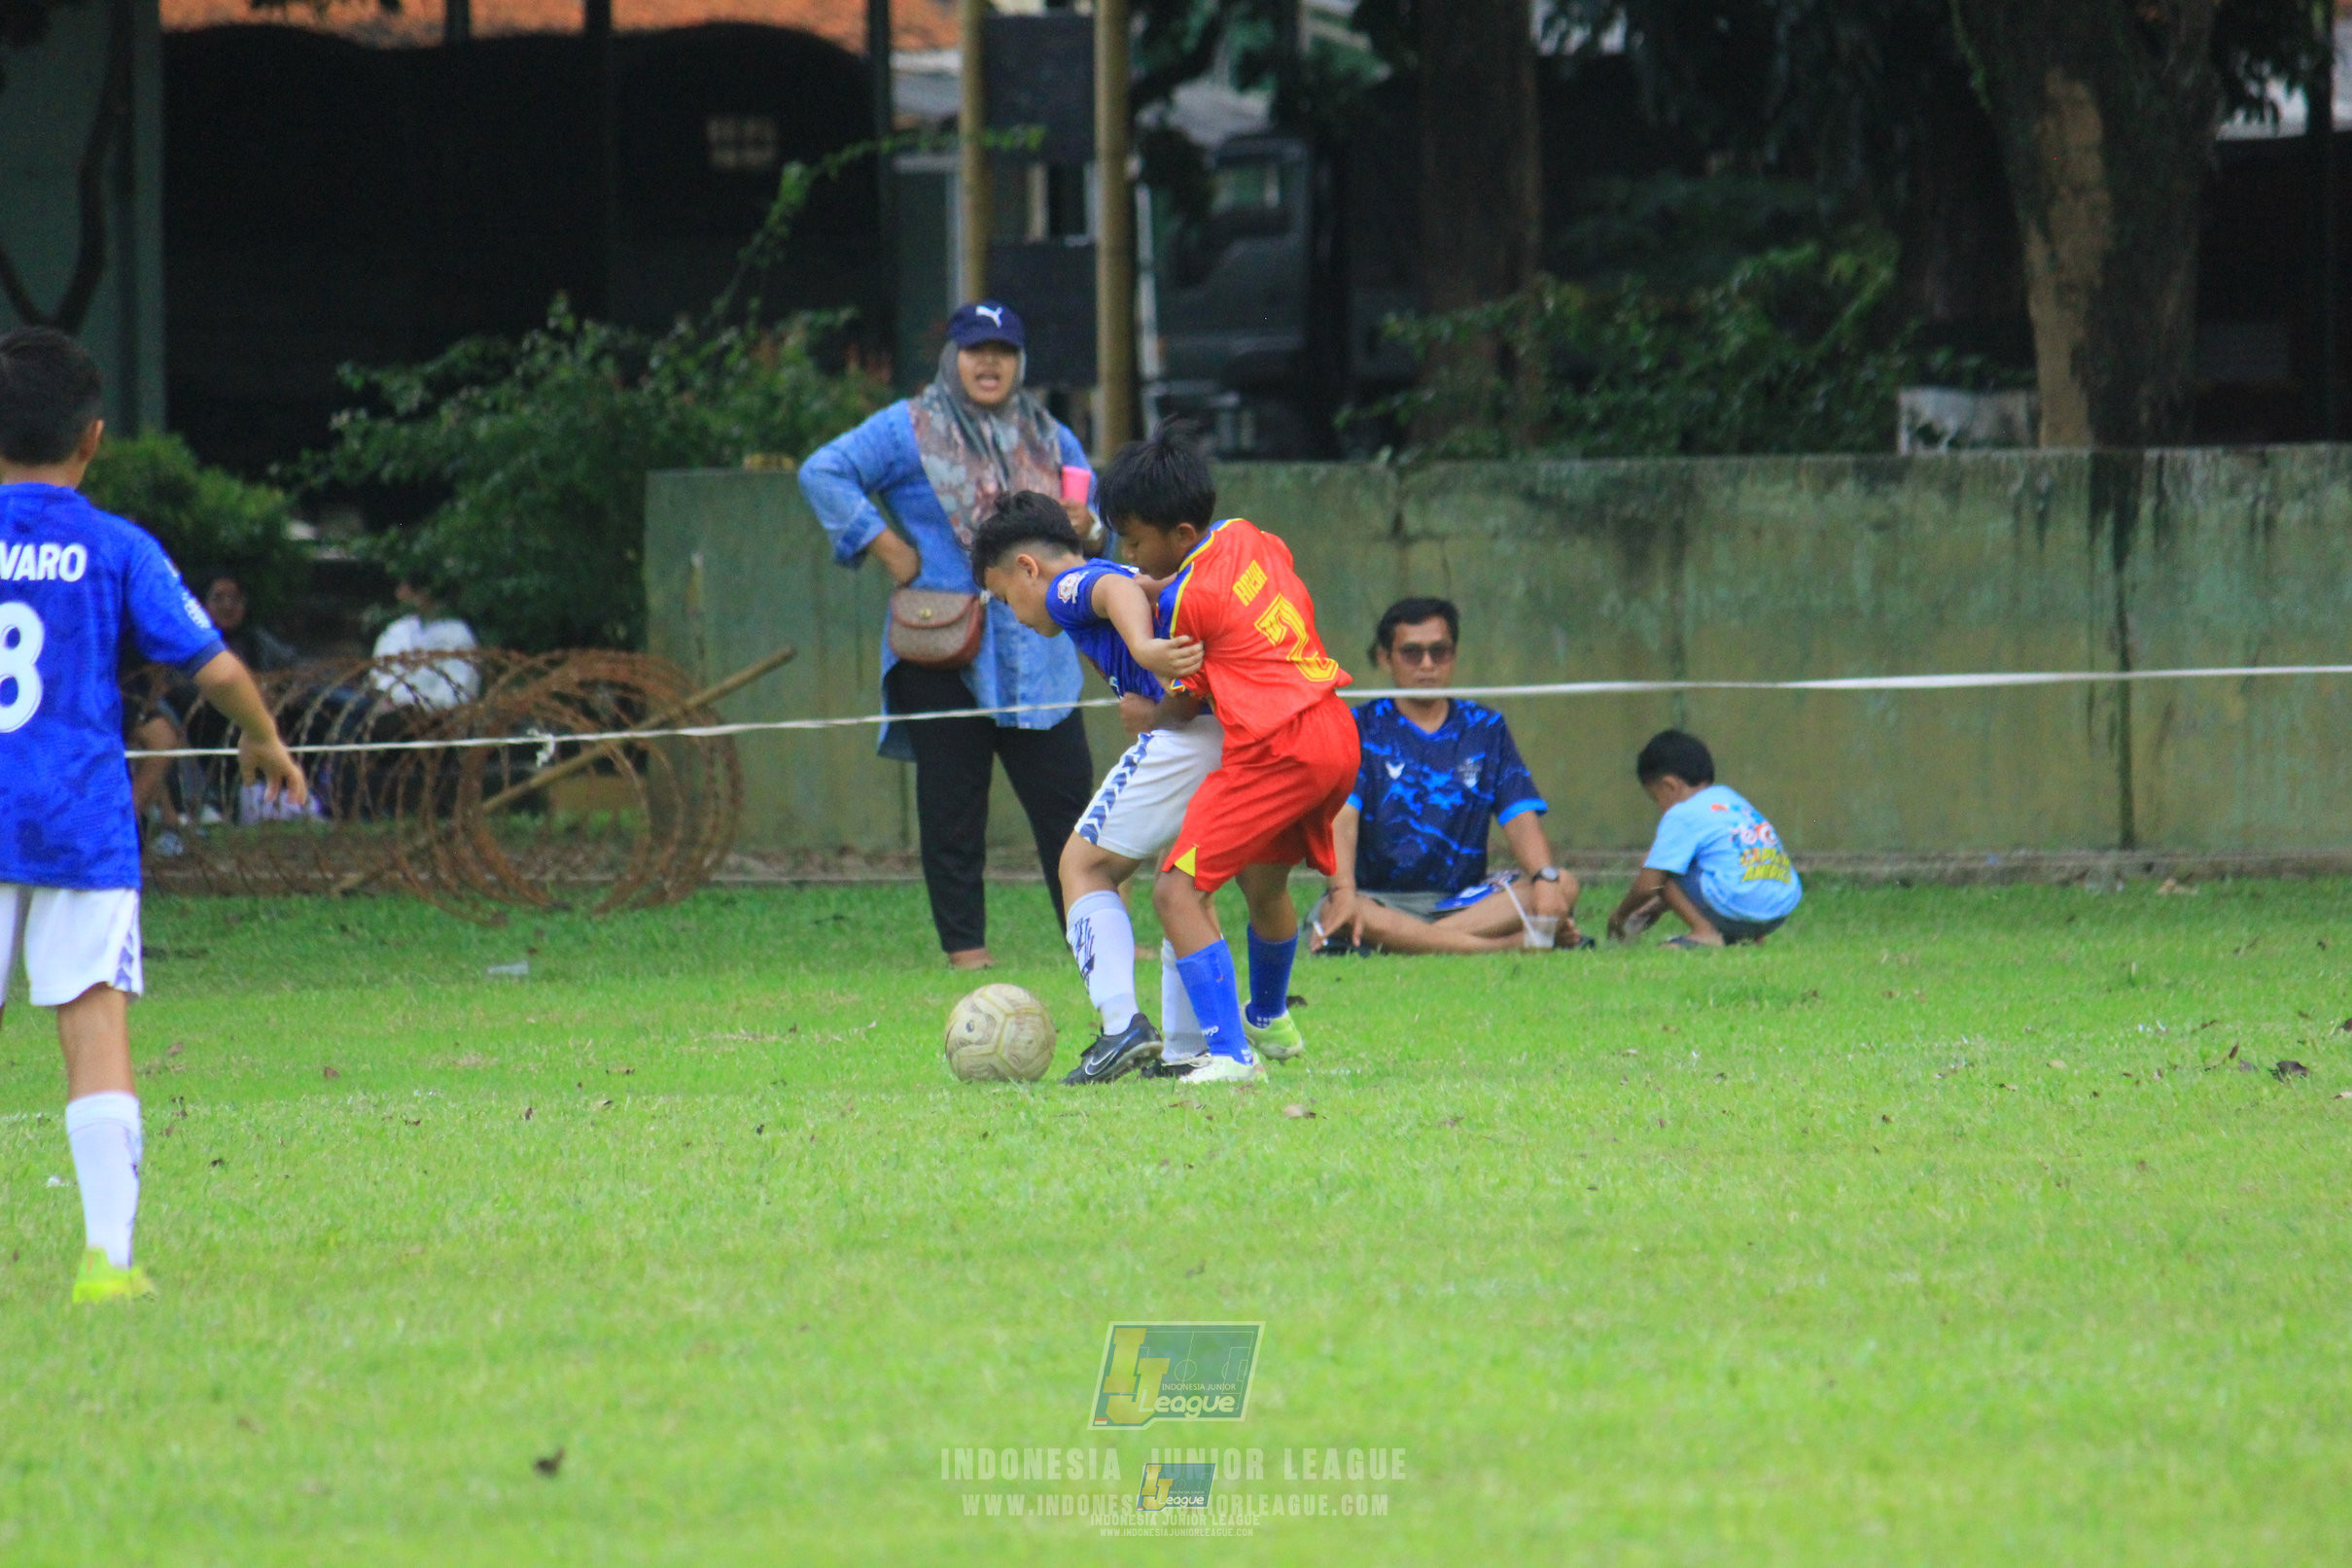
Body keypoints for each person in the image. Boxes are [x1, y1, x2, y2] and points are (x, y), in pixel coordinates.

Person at [0, 326, 307, 1306]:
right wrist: (263, 735)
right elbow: (211, 667)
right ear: (92, 438)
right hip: (80, 825)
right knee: (94, 1027)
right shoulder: (116, 546)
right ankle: (106, 1260)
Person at [800, 301, 1101, 970]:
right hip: (942, 647)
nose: (990, 362)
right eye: (975, 349)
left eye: (1004, 351)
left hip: (1038, 655)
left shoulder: (1050, 436)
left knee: (1070, 807)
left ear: (1020, 361)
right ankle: (967, 951)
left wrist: (1090, 525)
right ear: (951, 357)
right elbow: (822, 470)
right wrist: (886, 547)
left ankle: (1093, 939)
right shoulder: (908, 427)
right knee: (952, 809)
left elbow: (1096, 519)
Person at [1100, 429, 1358, 1084]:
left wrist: (1145, 716)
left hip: (1276, 749)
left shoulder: (1186, 601)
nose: (1128, 556)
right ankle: (1268, 1014)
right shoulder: (1246, 535)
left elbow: (1184, 705)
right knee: (1264, 884)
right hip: (1333, 731)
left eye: (1134, 542)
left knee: (1175, 891)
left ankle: (1230, 1055)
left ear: (1181, 533)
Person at [970, 492, 1218, 1084]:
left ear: (1027, 568)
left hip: (1186, 740)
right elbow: (1137, 586)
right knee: (1184, 888)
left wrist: (1144, 649)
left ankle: (1120, 1026)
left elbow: (1112, 592)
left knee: (1082, 867)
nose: (1015, 616)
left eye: (1005, 599)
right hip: (1222, 732)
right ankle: (1190, 1049)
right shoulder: (1109, 570)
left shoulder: (1069, 585)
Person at [1315, 597, 1583, 955]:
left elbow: (1520, 819)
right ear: (1385, 657)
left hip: (1464, 903)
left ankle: (1409, 942)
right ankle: (1503, 946)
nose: (1427, 665)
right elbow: (1341, 822)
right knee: (1341, 908)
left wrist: (1544, 879)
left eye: (1439, 652)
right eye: (1412, 653)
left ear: (1454, 655)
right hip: (1377, 899)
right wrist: (1344, 893)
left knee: (1562, 883)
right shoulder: (1356, 726)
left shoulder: (1486, 728)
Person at [1606, 728, 1802, 948]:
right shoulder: (1731, 799)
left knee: (1654, 863)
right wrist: (1656, 907)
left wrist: (1620, 915)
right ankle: (1752, 937)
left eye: (1655, 798)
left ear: (1669, 786)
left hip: (1737, 905)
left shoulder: (1681, 814)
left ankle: (1704, 932)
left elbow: (1648, 885)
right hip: (1779, 908)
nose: (1660, 807)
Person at [370, 577, 480, 710]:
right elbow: (380, 673)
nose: (399, 594)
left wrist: (423, 706)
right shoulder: (399, 629)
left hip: (433, 713)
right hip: (389, 709)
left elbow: (458, 686)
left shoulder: (457, 633)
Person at [190, 567, 298, 673]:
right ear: (203, 604)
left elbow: (295, 665)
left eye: (235, 598)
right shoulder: (192, 643)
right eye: (218, 598)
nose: (228, 606)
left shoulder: (258, 641)